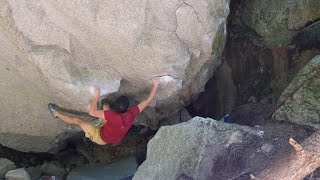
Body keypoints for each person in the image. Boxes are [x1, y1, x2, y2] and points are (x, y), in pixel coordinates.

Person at [48, 77, 160, 145]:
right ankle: (101, 122)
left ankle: (56, 113)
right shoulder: (130, 114)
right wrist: (155, 85)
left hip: (101, 138)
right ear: (127, 109)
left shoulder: (111, 115)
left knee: (78, 120)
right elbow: (147, 101)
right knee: (105, 106)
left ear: (115, 108)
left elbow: (91, 112)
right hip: (114, 133)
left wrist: (96, 96)